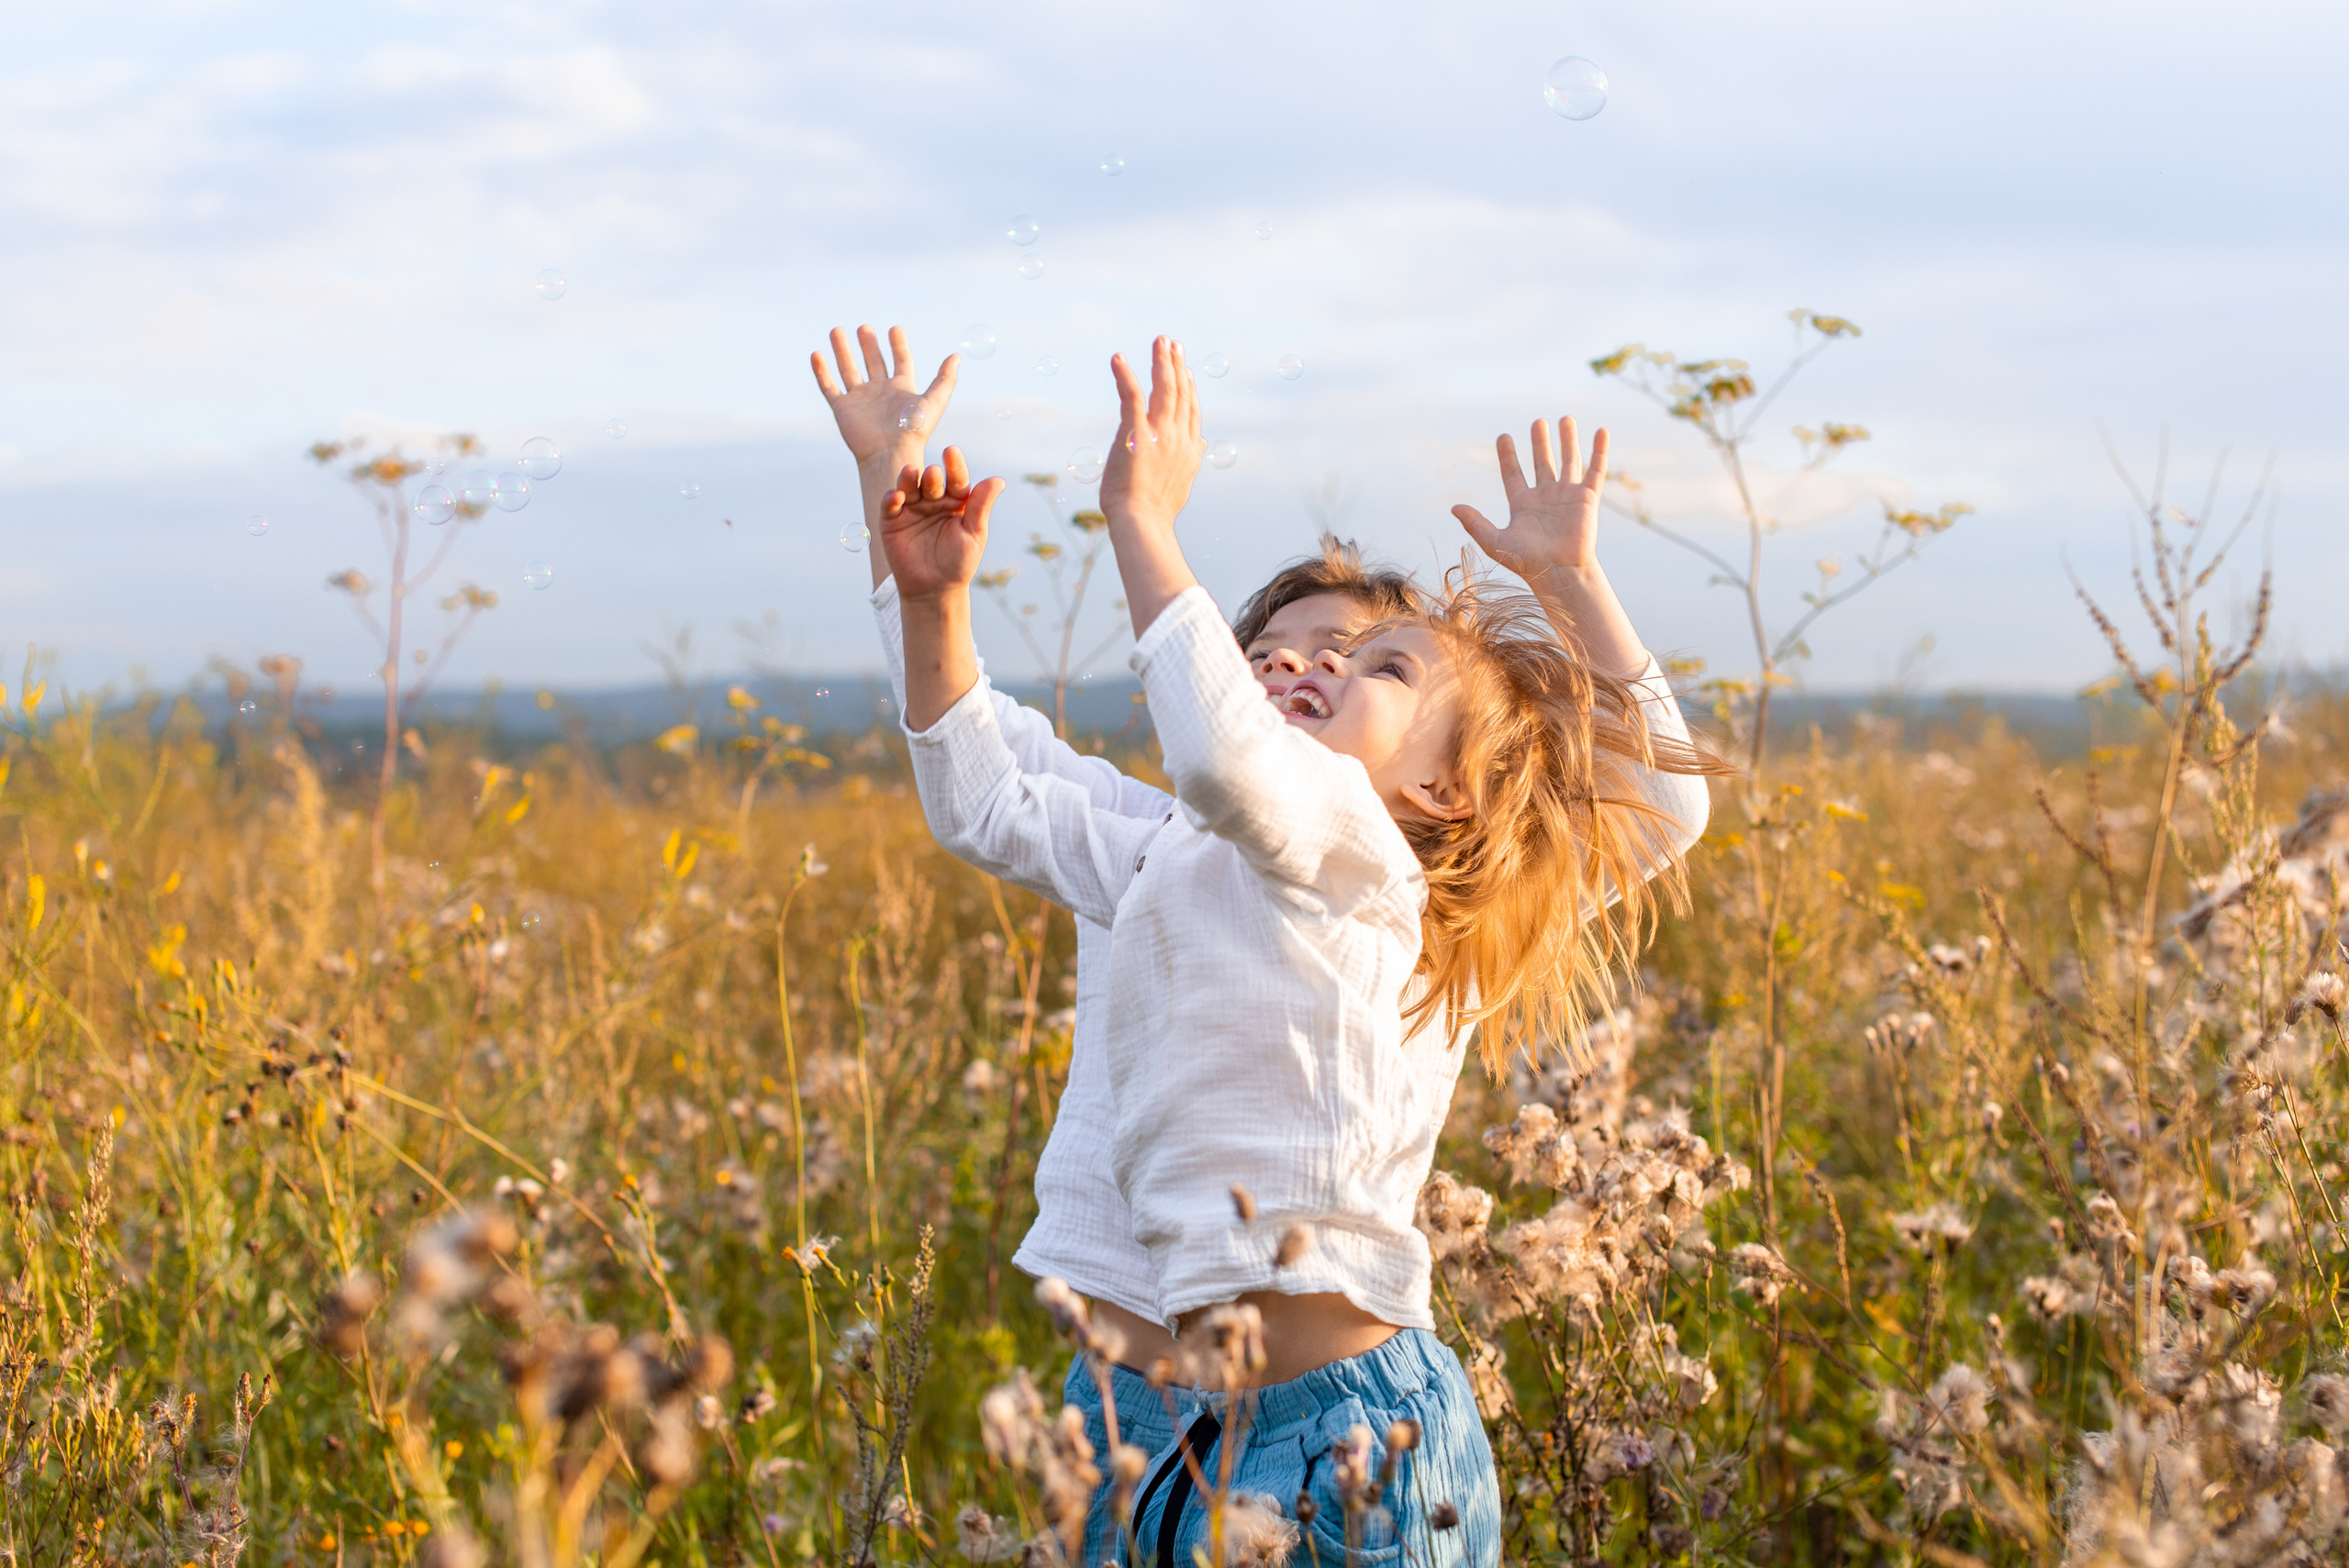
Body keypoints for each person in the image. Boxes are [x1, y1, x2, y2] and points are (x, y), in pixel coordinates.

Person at [829, 331, 1721, 1566]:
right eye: (1275, 655)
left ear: (1445, 787)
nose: (1313, 665)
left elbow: (1661, 806)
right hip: (1156, 1421)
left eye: (1368, 659)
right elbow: (985, 791)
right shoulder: (1167, 847)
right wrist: (921, 577)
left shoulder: (1391, 877)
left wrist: (1146, 520)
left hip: (1340, 1432)